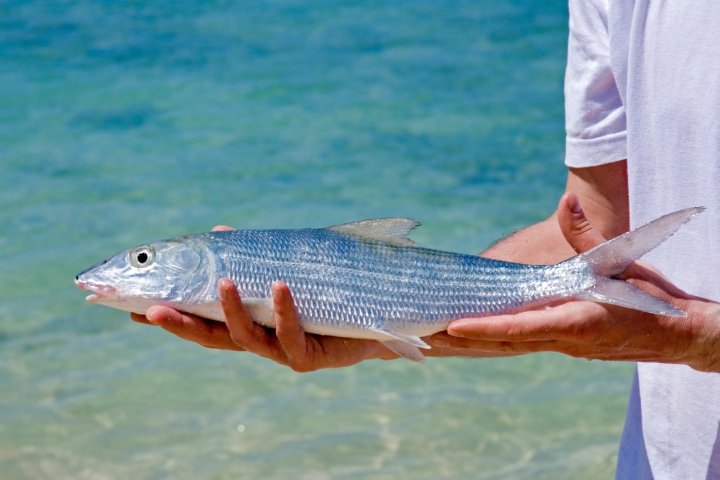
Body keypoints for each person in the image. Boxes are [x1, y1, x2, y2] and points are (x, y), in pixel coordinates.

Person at [132, 0, 720, 477]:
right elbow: (593, 225)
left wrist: (697, 339)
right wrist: (372, 333)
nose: (132, 267)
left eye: (142, 260)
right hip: (664, 457)